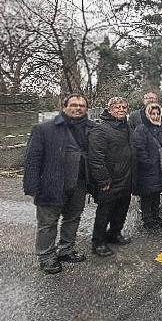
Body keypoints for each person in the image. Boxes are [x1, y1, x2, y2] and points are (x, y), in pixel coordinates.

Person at [23, 94, 96, 274]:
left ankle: (66, 250)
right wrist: (32, 187)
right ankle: (47, 257)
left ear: (86, 109)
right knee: (48, 223)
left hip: (79, 183)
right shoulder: (44, 129)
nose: (78, 108)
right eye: (73, 104)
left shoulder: (91, 128)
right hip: (51, 184)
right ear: (64, 107)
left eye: (82, 105)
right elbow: (32, 160)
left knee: (73, 218)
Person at [88, 97, 135, 257]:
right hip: (109, 180)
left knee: (121, 209)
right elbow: (95, 158)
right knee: (105, 212)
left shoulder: (126, 126)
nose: (121, 109)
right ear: (109, 109)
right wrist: (103, 179)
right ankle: (98, 242)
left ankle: (114, 234)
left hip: (126, 177)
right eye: (117, 107)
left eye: (124, 106)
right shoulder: (100, 129)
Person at [133, 103, 162, 230]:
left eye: (157, 113)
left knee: (156, 194)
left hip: (160, 169)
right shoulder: (141, 129)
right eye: (152, 113)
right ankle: (148, 220)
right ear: (147, 114)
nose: (155, 116)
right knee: (147, 196)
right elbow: (139, 148)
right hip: (147, 169)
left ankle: (156, 216)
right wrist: (147, 163)